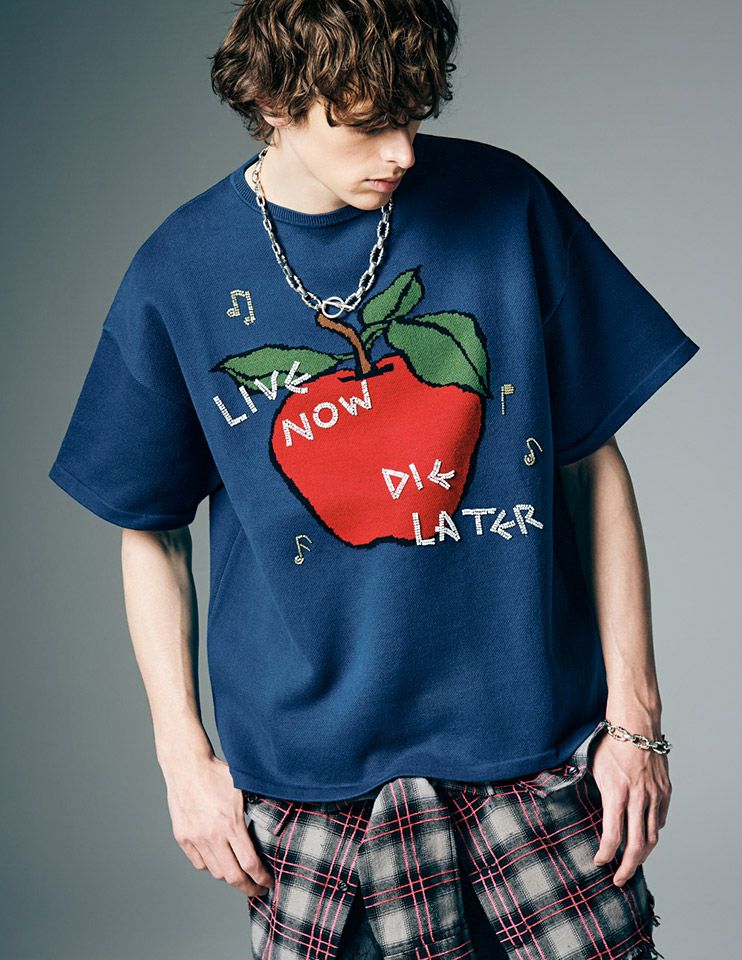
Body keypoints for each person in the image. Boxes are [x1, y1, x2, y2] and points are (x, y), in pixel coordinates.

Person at [48, 1, 699, 957]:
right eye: (364, 124)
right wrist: (183, 760)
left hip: (536, 752)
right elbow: (148, 525)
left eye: (413, 116)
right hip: (312, 787)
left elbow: (591, 461)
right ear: (275, 100)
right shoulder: (180, 270)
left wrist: (636, 719)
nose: (400, 152)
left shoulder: (507, 206)